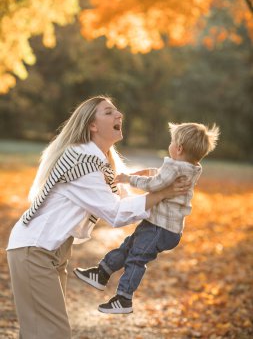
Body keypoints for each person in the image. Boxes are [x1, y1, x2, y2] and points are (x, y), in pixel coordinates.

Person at [7, 96, 190, 339]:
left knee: (39, 332)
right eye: (108, 112)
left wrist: (163, 185)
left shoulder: (98, 160)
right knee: (52, 333)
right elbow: (115, 212)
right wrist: (165, 193)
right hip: (35, 251)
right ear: (92, 125)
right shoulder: (83, 162)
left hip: (47, 251)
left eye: (117, 111)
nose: (119, 115)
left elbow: (126, 200)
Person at [74, 122, 219, 314]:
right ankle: (101, 273)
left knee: (136, 258)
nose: (170, 145)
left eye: (172, 141)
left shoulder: (174, 168)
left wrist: (129, 179)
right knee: (128, 246)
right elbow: (163, 177)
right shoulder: (190, 168)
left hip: (160, 228)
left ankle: (124, 298)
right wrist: (149, 171)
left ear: (178, 148)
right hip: (162, 227)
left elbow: (155, 185)